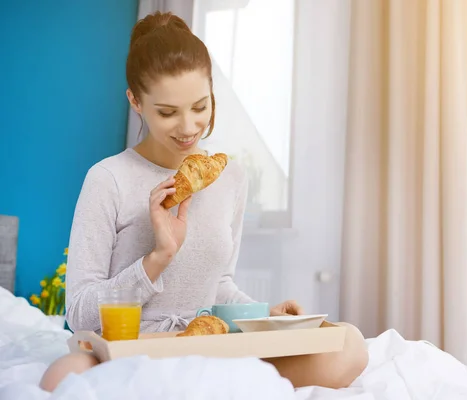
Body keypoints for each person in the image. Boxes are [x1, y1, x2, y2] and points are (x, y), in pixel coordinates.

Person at [40, 11, 368, 393]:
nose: (188, 127)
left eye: (200, 106)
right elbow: (78, 312)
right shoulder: (108, 179)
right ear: (136, 102)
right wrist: (156, 259)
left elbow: (219, 284)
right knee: (61, 376)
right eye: (167, 112)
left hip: (212, 346)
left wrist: (267, 314)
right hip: (132, 349)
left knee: (350, 343)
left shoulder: (230, 178)